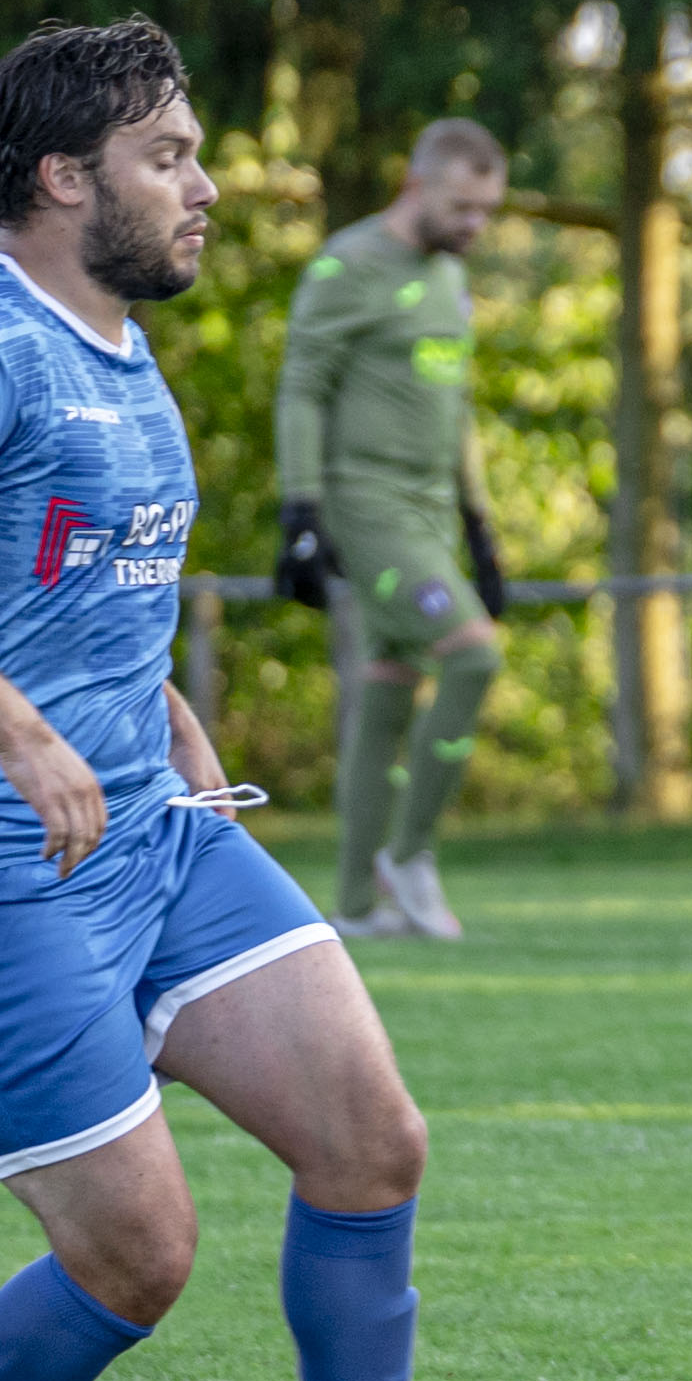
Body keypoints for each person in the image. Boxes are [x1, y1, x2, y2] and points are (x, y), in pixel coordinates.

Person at [0, 21, 566, 1381]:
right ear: (66, 179)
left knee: (370, 1141)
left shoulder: (119, 347)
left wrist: (168, 733)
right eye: (170, 157)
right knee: (139, 1255)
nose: (205, 189)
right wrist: (14, 732)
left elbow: (87, 587)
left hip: (150, 830)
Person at [273, 118, 513, 941]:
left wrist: (479, 525)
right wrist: (301, 511)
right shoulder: (350, 266)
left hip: (431, 513)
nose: (476, 225)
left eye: (488, 210)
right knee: (474, 655)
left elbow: (458, 411)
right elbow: (302, 388)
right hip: (364, 504)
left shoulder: (451, 281)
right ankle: (410, 853)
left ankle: (352, 907)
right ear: (417, 185)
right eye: (464, 206)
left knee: (385, 694)